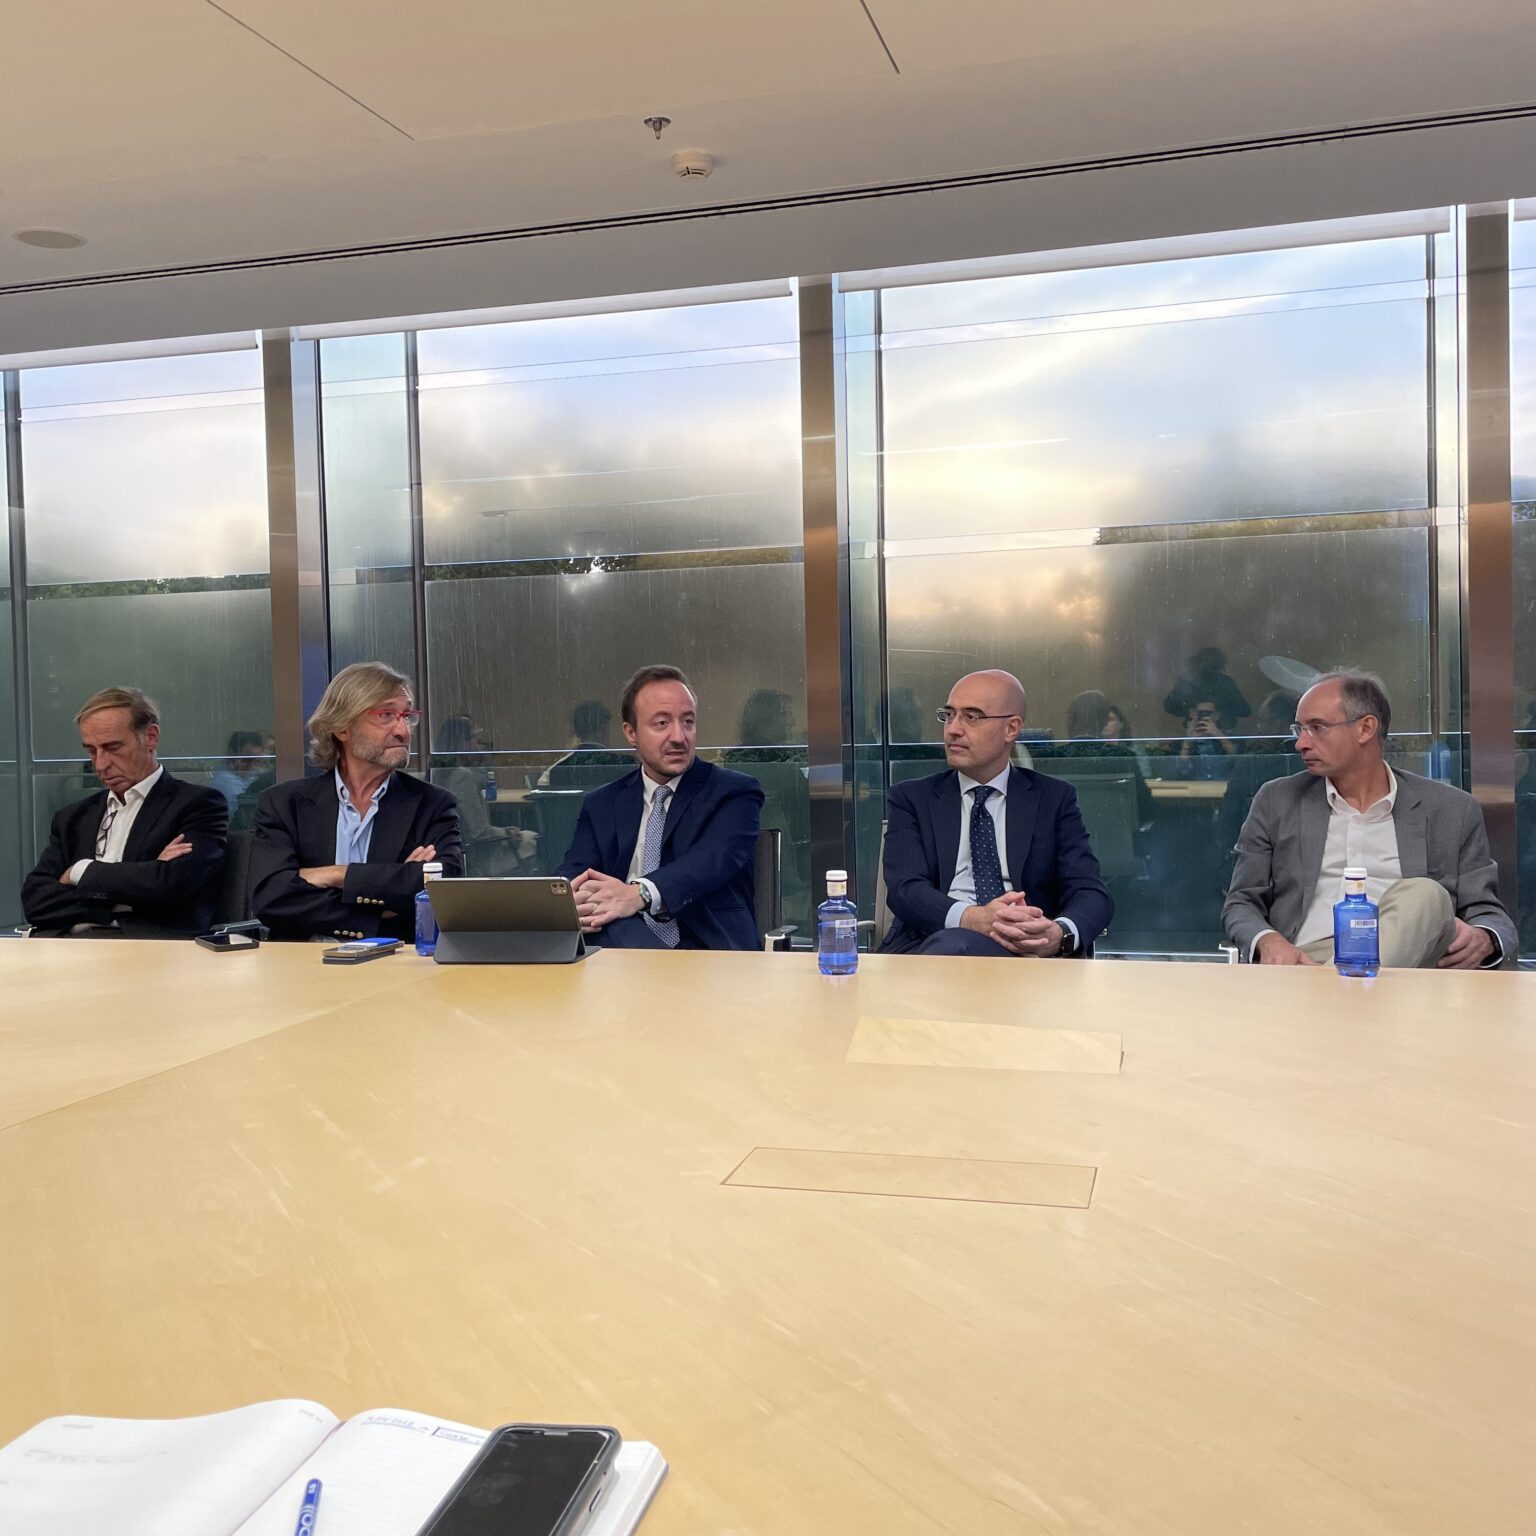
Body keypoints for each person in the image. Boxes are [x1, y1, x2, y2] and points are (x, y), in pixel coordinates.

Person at [1223, 670, 1515, 968]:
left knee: (1426, 894)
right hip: (1306, 961)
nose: (1301, 743)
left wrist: (1484, 937)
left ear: (1365, 728)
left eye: (1317, 728)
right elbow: (1241, 902)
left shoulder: (1451, 809)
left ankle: (1337, 990)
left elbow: (1489, 913)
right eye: (1300, 729)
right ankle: (1341, 989)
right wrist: (1268, 940)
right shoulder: (1277, 801)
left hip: (1411, 967)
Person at [879, 669, 1112, 957]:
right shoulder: (911, 798)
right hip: (933, 945)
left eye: (971, 717)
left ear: (1011, 729)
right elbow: (906, 890)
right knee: (954, 945)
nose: (953, 729)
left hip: (1030, 951)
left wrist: (1057, 934)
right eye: (949, 715)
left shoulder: (1054, 798)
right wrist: (973, 919)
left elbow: (1090, 892)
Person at [250, 662, 463, 942]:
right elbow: (271, 898)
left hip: (393, 959)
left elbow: (441, 886)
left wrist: (337, 874)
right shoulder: (284, 803)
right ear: (342, 728)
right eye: (386, 715)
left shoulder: (432, 804)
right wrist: (383, 901)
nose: (403, 731)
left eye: (407, 716)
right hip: (300, 961)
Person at [556, 664, 764, 950]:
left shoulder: (734, 792)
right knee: (609, 923)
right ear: (631, 733)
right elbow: (575, 872)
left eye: (688, 721)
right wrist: (577, 902)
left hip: (709, 951)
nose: (679, 737)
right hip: (619, 948)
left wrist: (637, 894)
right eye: (662, 723)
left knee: (617, 923)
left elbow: (708, 862)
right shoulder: (602, 803)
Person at [21, 687, 228, 938]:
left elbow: (171, 885)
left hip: (147, 947)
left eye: (113, 747)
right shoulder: (73, 817)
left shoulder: (197, 804)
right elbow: (36, 901)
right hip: (67, 944)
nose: (100, 764)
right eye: (91, 750)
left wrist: (79, 871)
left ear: (151, 737)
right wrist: (128, 894)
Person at [430, 713, 537, 876]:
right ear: (462, 742)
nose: (478, 745)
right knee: (532, 838)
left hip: (452, 852)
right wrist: (507, 832)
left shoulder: (437, 774)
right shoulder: (462, 777)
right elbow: (479, 832)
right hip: (479, 857)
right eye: (474, 739)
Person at [1164, 646, 1251, 732]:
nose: (1206, 672)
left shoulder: (1225, 683)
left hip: (1222, 732)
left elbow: (1244, 710)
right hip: (1194, 732)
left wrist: (1219, 711)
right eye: (1204, 667)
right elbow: (1169, 707)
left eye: (1210, 668)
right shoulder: (1188, 682)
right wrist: (1190, 710)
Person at [542, 699, 625, 787]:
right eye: (608, 729)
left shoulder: (556, 770)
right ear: (603, 730)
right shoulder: (622, 765)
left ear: (577, 731)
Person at [1170, 698, 1239, 780]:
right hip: (1195, 786)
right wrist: (1188, 741)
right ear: (1192, 713)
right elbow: (1180, 771)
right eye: (1200, 713)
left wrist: (1218, 735)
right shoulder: (1180, 740)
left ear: (1217, 715)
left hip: (1224, 786)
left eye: (1207, 713)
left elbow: (1240, 762)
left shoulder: (1231, 737)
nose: (1203, 717)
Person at [210, 730, 275, 818]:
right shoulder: (225, 782)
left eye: (257, 760)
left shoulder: (250, 776)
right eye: (246, 760)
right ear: (232, 754)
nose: (252, 766)